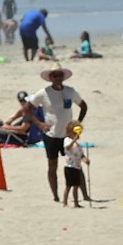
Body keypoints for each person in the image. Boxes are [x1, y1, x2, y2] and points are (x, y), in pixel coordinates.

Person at [35, 65, 87, 200]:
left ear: (63, 77)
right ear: (50, 78)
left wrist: (78, 123)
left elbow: (83, 106)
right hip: (51, 136)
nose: (58, 78)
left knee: (76, 165)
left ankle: (85, 195)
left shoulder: (70, 92)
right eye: (55, 75)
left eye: (60, 75)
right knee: (52, 166)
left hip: (68, 136)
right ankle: (56, 196)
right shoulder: (43, 93)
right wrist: (39, 123)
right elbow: (27, 109)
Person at [59, 132, 91, 207]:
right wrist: (73, 140)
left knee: (76, 186)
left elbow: (81, 155)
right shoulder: (67, 140)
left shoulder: (78, 146)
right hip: (69, 166)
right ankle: (65, 202)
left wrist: (85, 160)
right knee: (68, 186)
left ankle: (76, 203)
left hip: (77, 166)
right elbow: (67, 148)